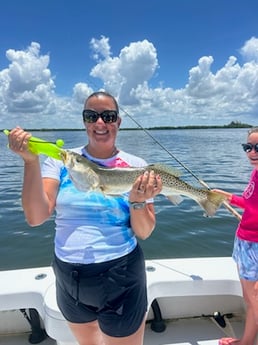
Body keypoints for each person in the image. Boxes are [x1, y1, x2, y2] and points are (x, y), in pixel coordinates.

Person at [7, 91, 162, 345]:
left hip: (120, 275)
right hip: (69, 277)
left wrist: (137, 201)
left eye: (108, 116)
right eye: (92, 116)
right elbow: (36, 217)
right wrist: (30, 161)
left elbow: (144, 232)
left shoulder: (137, 167)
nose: (100, 123)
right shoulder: (61, 162)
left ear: (118, 122)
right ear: (84, 121)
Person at [214, 127, 258, 345]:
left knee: (253, 299)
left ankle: (246, 342)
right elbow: (251, 203)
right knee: (249, 298)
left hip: (254, 246)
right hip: (244, 241)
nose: (252, 152)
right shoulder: (255, 172)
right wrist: (229, 197)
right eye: (247, 147)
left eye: (257, 147)